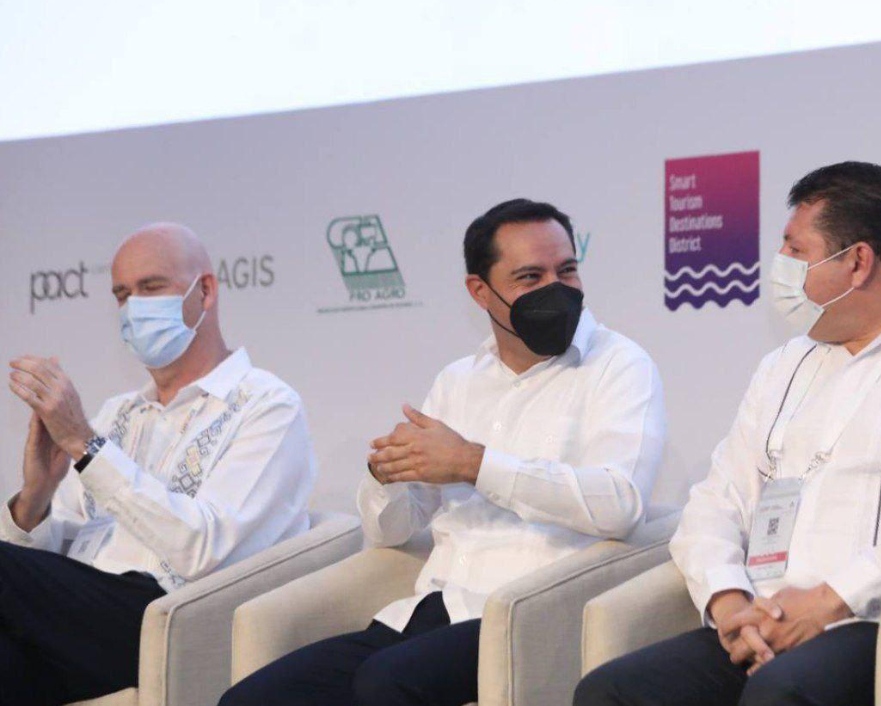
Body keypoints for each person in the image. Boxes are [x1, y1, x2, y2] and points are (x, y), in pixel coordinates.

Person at [574, 162, 881, 706]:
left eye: (795, 250)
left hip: (873, 621)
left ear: (858, 262)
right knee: (611, 692)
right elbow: (717, 501)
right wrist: (728, 602)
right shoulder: (784, 365)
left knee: (780, 693)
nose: (780, 264)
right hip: (758, 616)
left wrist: (828, 600)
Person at [220, 198, 667, 706]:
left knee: (386, 682)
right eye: (530, 277)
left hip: (522, 618)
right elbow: (393, 531)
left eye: (566, 271)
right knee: (250, 700)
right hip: (431, 609)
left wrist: (474, 463)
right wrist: (386, 476)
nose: (556, 289)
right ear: (480, 291)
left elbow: (620, 503)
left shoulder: (619, 366)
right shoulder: (458, 381)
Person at [2, 223, 317, 705]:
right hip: (75, 624)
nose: (133, 307)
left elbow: (205, 548)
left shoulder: (267, 405)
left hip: (164, 619)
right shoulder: (118, 413)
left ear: (204, 291)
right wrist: (35, 500)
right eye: (122, 295)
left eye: (151, 288)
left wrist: (87, 447)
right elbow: (51, 557)